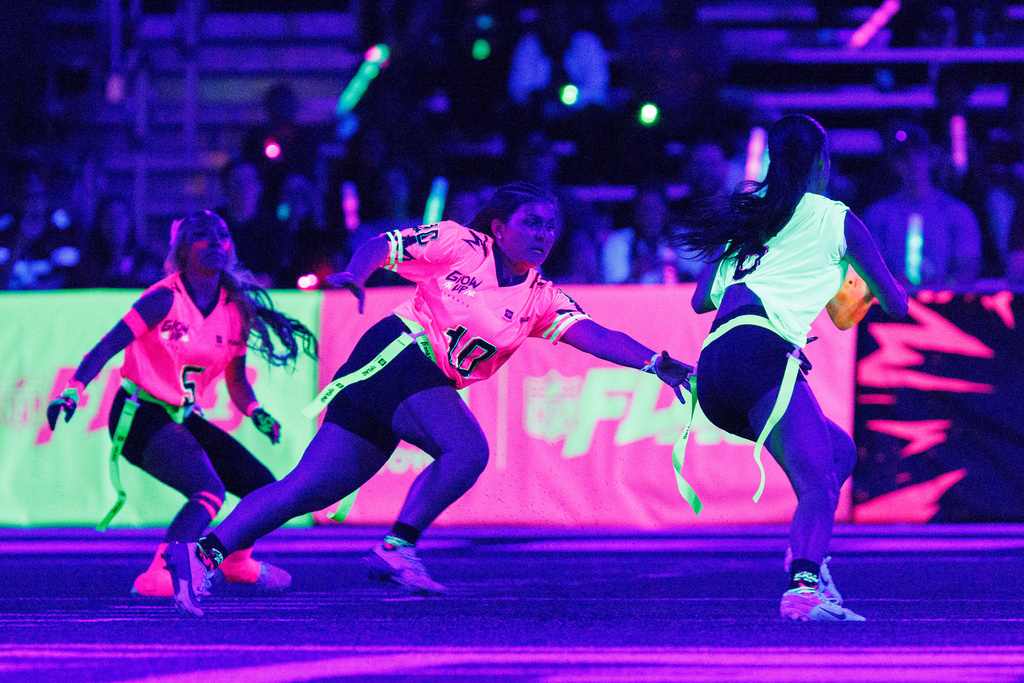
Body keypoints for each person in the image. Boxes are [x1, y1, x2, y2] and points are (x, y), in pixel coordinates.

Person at [164, 182, 691, 616]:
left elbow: (596, 334)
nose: (544, 234)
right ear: (500, 228)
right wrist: (356, 272)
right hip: (397, 355)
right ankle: (396, 548)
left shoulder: (540, 297)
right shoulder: (460, 244)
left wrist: (655, 362)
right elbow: (385, 246)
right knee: (467, 450)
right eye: (531, 223)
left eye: (550, 225)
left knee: (310, 490)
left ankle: (201, 555)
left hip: (408, 380)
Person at [672, 115, 908, 621]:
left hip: (715, 370)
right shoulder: (836, 218)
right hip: (761, 357)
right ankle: (803, 588)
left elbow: (699, 300)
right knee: (820, 479)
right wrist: (852, 272)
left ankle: (807, 552)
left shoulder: (750, 216)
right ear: (823, 162)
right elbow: (897, 305)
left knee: (837, 453)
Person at [46, 210, 317, 597]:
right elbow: (108, 345)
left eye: (222, 236)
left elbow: (236, 380)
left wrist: (256, 412)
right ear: (184, 249)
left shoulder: (234, 309)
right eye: (203, 237)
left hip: (182, 415)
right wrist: (71, 391)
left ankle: (237, 561)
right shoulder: (163, 299)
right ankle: (160, 571)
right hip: (139, 412)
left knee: (262, 489)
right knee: (208, 491)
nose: (215, 243)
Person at [863, 125, 982, 289]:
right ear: (894, 164)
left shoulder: (958, 213)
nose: (912, 162)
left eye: (918, 153)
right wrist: (893, 284)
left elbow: (968, 270)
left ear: (931, 157)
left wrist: (941, 286)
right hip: (892, 306)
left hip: (947, 307)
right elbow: (869, 270)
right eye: (903, 156)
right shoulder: (877, 215)